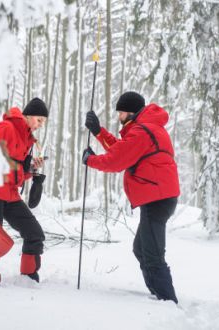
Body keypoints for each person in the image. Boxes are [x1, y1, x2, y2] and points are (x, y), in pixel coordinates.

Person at [82, 91, 180, 303]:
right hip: (158, 197)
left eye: (121, 113)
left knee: (152, 255)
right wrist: (99, 132)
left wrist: (90, 160)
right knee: (141, 249)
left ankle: (167, 301)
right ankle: (158, 294)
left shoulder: (142, 132)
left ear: (131, 112)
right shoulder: (145, 128)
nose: (119, 117)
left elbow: (116, 161)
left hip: (158, 199)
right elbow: (122, 150)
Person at [0, 97, 48, 287]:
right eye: (39, 120)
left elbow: (15, 171)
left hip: (11, 195)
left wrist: (31, 171)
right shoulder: (6, 128)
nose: (40, 125)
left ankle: (28, 276)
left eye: (43, 122)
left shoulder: (26, 138)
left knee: (34, 233)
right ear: (28, 116)